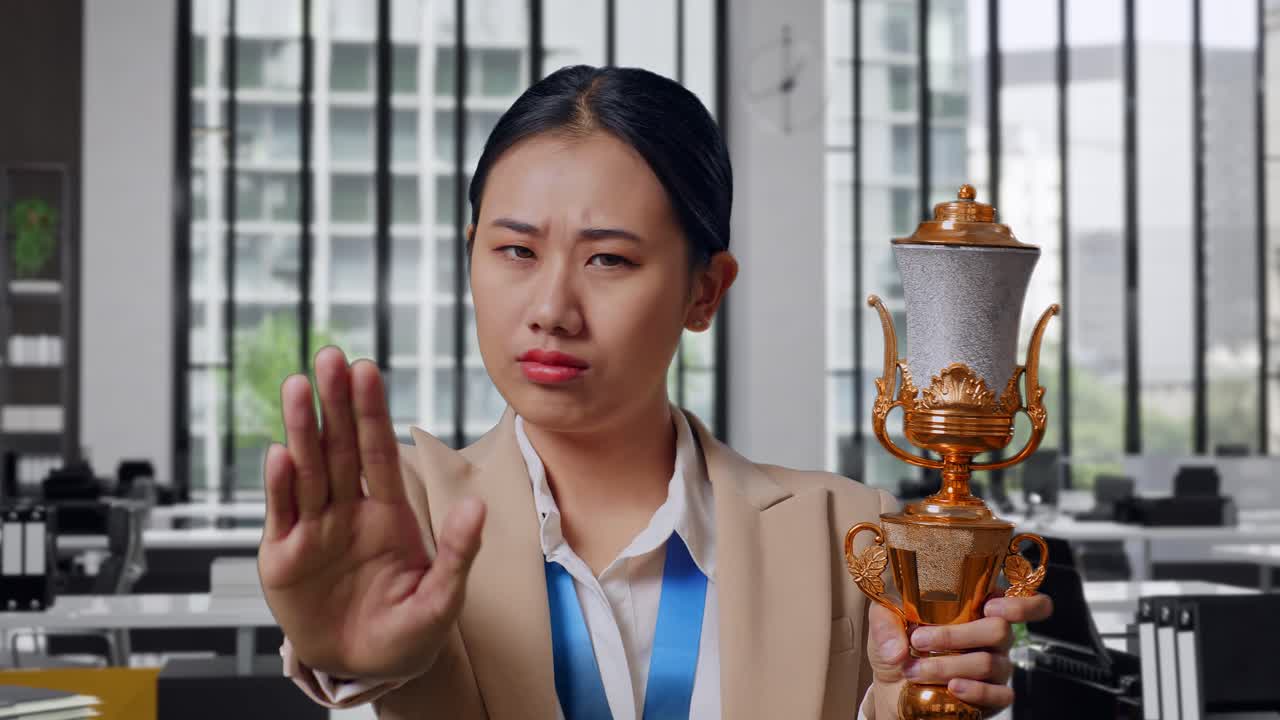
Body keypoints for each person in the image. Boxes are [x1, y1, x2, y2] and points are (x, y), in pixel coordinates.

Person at [257, 64, 1052, 720]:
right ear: (471, 258)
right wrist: (361, 673)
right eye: (515, 251)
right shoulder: (406, 523)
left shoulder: (854, 539)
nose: (550, 311)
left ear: (705, 291)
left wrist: (911, 703)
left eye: (609, 260)